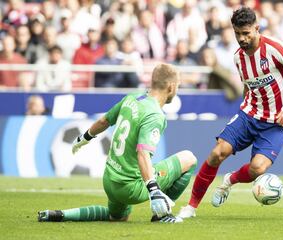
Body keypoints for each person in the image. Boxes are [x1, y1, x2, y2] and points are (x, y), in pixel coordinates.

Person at [177, 7, 283, 219]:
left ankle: (228, 181)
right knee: (216, 153)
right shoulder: (238, 58)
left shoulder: (276, 49)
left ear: (257, 29)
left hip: (277, 122)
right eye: (237, 34)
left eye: (246, 33)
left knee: (258, 168)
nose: (241, 38)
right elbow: (247, 85)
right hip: (249, 115)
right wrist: (246, 105)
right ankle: (191, 207)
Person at [38, 63, 197, 223]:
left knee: (117, 217)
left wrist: (84, 138)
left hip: (109, 180)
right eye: (178, 86)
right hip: (130, 188)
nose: (177, 90)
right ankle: (162, 214)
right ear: (170, 87)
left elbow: (104, 120)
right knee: (189, 158)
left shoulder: (132, 98)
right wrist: (153, 190)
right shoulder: (155, 115)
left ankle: (59, 214)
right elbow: (143, 153)